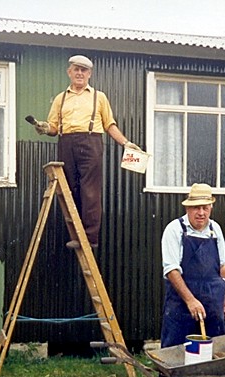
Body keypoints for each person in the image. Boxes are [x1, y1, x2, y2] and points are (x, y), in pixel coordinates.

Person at [33, 54, 139, 249]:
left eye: (83, 70)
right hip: (66, 143)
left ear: (89, 74)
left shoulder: (99, 97)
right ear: (69, 72)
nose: (79, 73)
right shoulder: (60, 98)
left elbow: (110, 125)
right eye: (76, 69)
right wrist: (44, 128)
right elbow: (54, 127)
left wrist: (126, 143)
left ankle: (90, 238)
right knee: (70, 189)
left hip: (91, 142)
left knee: (90, 190)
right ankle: (76, 236)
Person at [158, 183, 225, 377]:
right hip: (181, 304)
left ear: (211, 207)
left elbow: (222, 267)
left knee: (212, 354)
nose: (201, 212)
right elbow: (171, 270)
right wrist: (190, 300)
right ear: (188, 208)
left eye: (205, 207)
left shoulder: (215, 230)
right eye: (196, 207)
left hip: (212, 302)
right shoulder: (174, 229)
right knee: (173, 354)